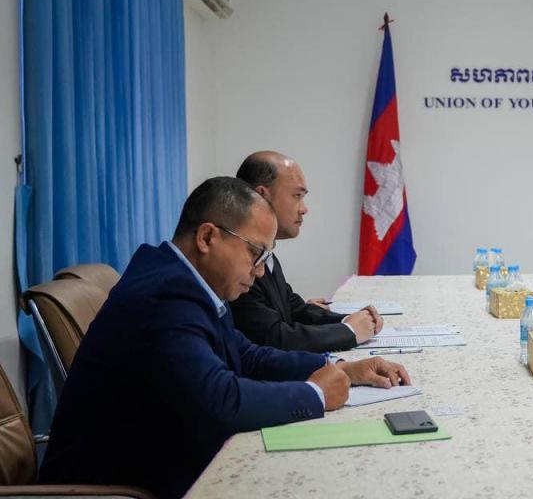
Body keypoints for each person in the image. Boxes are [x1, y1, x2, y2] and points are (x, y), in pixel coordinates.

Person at [39, 177, 411, 498]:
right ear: (207, 237)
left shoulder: (185, 279)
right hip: (121, 485)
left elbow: (246, 356)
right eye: (255, 252)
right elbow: (219, 403)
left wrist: (340, 368)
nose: (260, 271)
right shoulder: (165, 295)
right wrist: (315, 394)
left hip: (162, 459)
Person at [232, 151, 381, 352]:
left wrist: (351, 320)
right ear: (261, 197)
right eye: (297, 196)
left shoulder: (267, 256)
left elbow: (294, 310)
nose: (304, 209)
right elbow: (274, 338)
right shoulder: (240, 262)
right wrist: (349, 331)